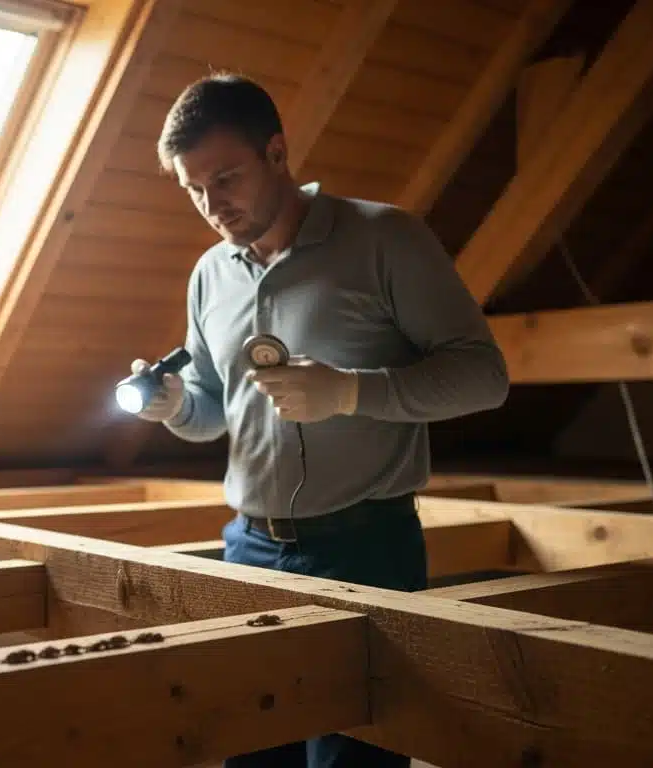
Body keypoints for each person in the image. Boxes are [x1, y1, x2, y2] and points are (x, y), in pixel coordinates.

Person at [123, 73, 511, 768]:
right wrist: (175, 404)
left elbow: (484, 377)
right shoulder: (209, 274)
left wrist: (350, 394)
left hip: (367, 549)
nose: (212, 205)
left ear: (277, 153)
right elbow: (214, 412)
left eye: (226, 178)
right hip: (249, 549)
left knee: (353, 760)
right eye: (193, 189)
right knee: (252, 756)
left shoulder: (384, 238)